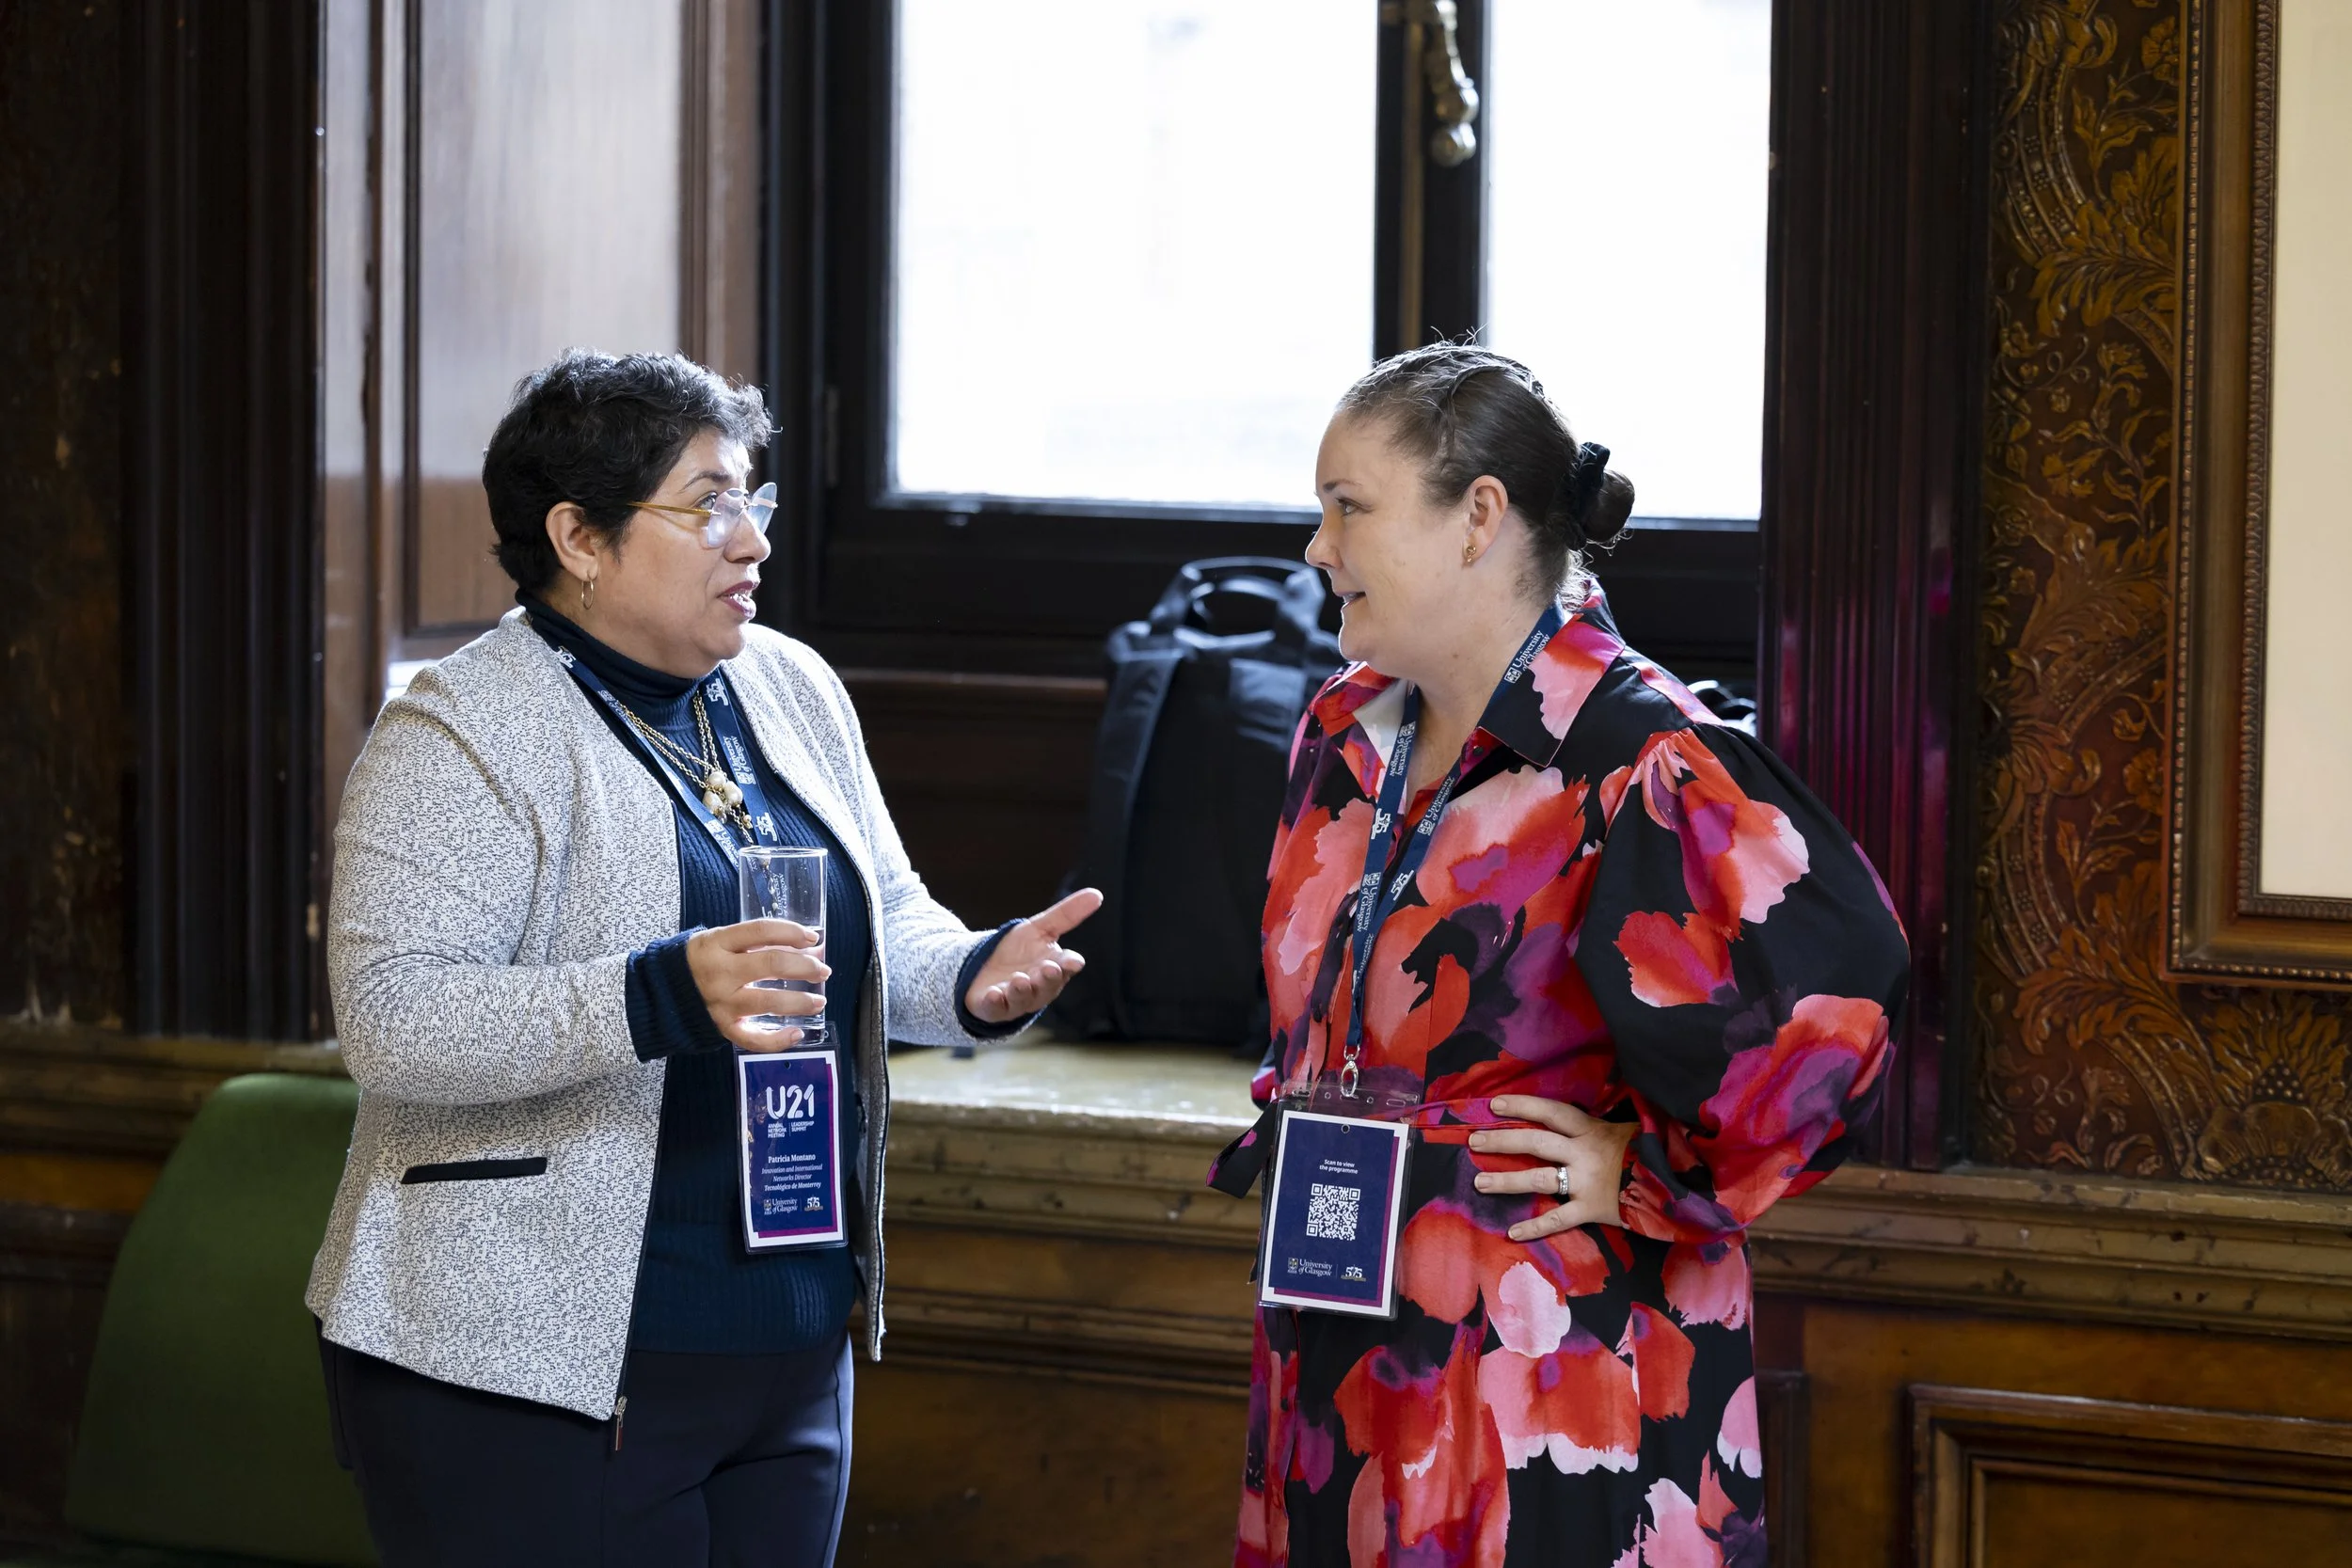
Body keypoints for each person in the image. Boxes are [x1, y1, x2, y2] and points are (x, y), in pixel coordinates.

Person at [307, 349, 1098, 1567]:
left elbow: (883, 916)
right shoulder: (460, 728)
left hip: (788, 1334)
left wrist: (972, 978)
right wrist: (656, 994)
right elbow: (394, 1020)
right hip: (529, 1360)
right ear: (580, 537)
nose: (753, 540)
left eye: (754, 498)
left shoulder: (789, 684)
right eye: (709, 504)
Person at [1212, 344, 1908, 1567]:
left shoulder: (1644, 753)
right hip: (1340, 1327)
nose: (1317, 549)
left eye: (1349, 507)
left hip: (1555, 1366)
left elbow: (1834, 1012)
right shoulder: (1344, 733)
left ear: (1478, 516)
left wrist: (1653, 1171)